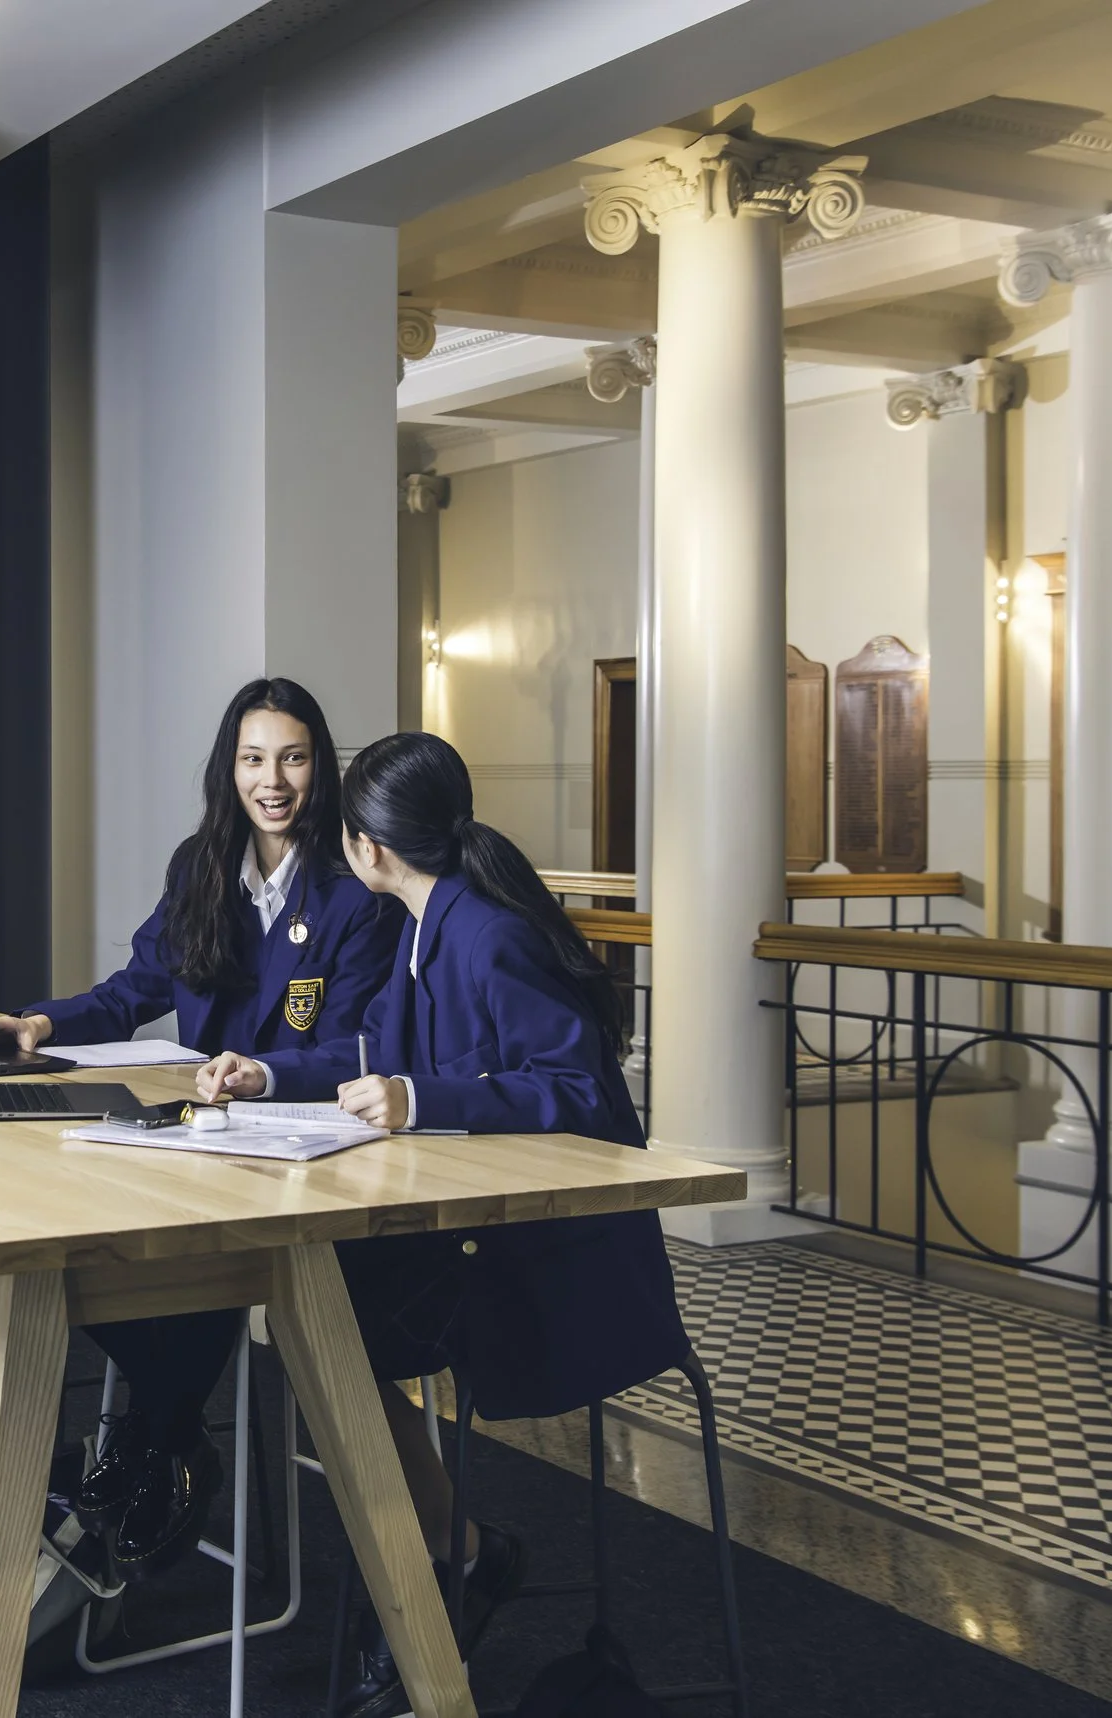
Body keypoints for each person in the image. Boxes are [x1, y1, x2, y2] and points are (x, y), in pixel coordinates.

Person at [196, 731, 691, 1718]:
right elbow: (364, 1047)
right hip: (481, 1237)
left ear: (368, 846)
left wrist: (420, 1098)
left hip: (553, 1259)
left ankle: (442, 1564)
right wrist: (264, 1072)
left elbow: (576, 1088)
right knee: (320, 1319)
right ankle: (441, 1558)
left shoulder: (484, 933)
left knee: (326, 1325)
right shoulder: (429, 924)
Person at [0, 678, 402, 1570]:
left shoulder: (355, 888)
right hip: (202, 1130)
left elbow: (362, 1041)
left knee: (201, 1262)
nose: (271, 780)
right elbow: (135, 990)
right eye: (252, 759)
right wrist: (40, 1025)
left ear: (320, 765)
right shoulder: (199, 864)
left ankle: (152, 1444)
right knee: (62, 1254)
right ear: (228, 767)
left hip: (306, 1142)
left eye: (292, 757)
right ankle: (170, 1438)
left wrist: (266, 1072)